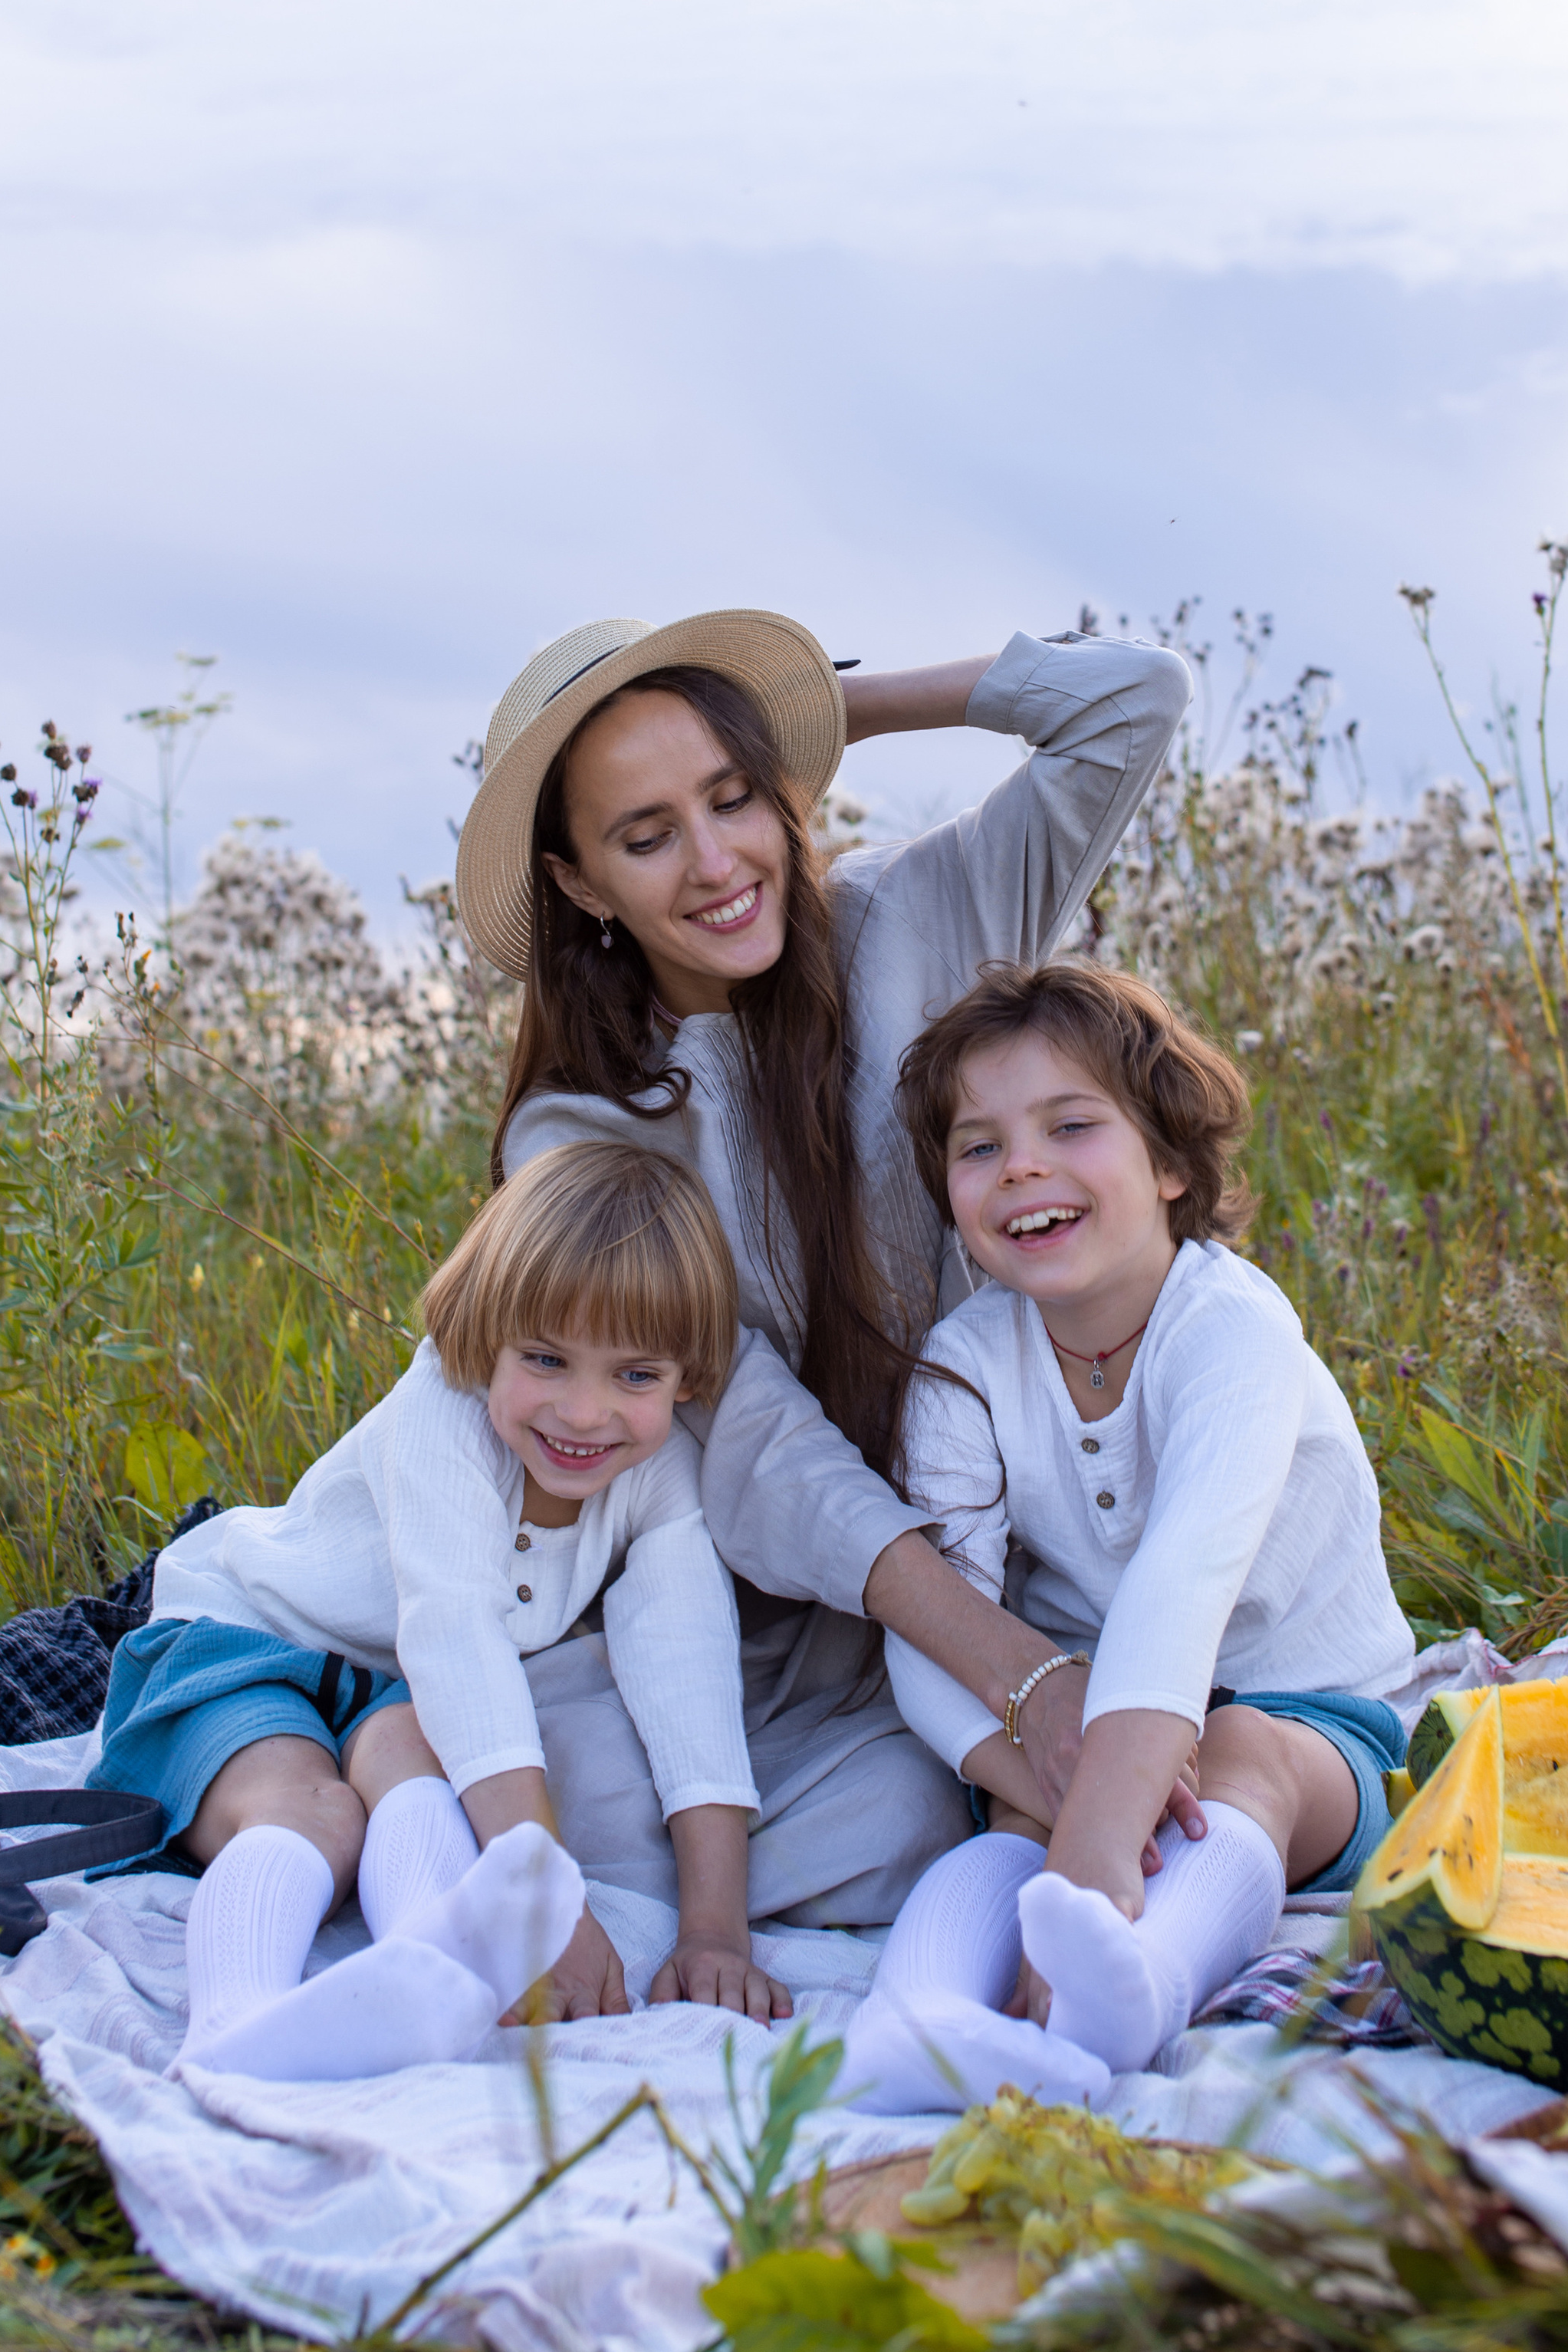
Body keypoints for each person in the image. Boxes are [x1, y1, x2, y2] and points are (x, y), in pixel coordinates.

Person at [455, 608, 1195, 2004]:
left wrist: (824, 715)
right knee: (597, 1773)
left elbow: (1134, 701)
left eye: (733, 799)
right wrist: (1014, 1675)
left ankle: (995, 1815)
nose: (719, 861)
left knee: (1154, 1714)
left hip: (1011, 1548)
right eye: (649, 832)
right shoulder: (580, 1138)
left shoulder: (924, 916)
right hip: (767, 1620)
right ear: (585, 883)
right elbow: (752, 1439)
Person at [838, 959, 1415, 2110]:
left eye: (1070, 1124)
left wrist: (1101, 1857)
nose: (1024, 1166)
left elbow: (1182, 1585)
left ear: (1166, 1163)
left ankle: (1137, 1982)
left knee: (1245, 1749)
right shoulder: (964, 1364)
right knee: (1018, 1807)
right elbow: (937, 1626)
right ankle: (919, 2019)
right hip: (1085, 1703)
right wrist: (1046, 1777)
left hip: (1308, 1706)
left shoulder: (1232, 1330)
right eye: (979, 1145)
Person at [87, 1142, 784, 2076]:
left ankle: (432, 1979)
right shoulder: (441, 1416)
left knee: (423, 1766)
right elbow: (457, 1637)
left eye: (634, 1375)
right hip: (240, 1642)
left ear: (686, 1376)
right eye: (545, 1358)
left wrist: (714, 1929)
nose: (583, 1412)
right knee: (319, 1815)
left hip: (385, 1690)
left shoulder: (660, 1472)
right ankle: (232, 2029)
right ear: (487, 1331)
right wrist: (549, 1905)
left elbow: (686, 1669)